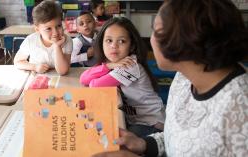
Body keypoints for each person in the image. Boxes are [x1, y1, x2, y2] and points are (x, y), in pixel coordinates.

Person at [93, 0, 248, 156]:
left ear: (186, 39)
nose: (151, 40)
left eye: (156, 31)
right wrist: (144, 144)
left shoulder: (240, 113)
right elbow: (178, 138)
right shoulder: (184, 77)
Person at [80, 17, 165, 137]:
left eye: (122, 41)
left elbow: (95, 85)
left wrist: (109, 66)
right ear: (101, 42)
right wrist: (109, 65)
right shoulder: (112, 62)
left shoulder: (130, 65)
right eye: (109, 40)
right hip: (134, 119)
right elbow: (83, 78)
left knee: (115, 140)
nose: (114, 46)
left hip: (152, 124)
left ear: (131, 46)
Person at [13, 0, 72, 75]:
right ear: (37, 29)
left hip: (59, 81)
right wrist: (35, 67)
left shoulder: (67, 41)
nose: (56, 33)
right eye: (48, 29)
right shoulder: (31, 40)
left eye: (59, 26)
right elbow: (18, 62)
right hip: (36, 79)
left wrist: (57, 46)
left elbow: (62, 71)